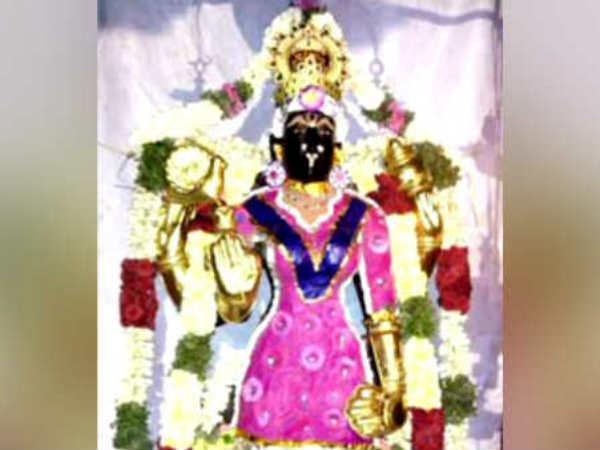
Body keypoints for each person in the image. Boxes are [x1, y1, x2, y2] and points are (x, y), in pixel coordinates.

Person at [204, 99, 407, 448]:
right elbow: (234, 312)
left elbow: (383, 309)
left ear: (338, 151)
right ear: (280, 148)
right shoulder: (254, 210)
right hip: (275, 365)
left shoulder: (365, 215)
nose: (311, 142)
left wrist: (393, 392)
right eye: (299, 132)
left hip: (340, 365)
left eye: (323, 133)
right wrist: (232, 290)